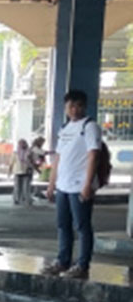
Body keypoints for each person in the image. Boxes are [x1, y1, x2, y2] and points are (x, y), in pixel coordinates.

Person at [42, 89, 100, 280]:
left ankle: (82, 265)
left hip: (79, 186)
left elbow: (93, 156)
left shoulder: (90, 126)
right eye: (71, 106)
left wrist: (87, 184)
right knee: (63, 225)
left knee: (82, 226)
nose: (75, 109)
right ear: (66, 108)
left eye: (79, 105)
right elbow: (58, 158)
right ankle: (63, 261)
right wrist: (51, 184)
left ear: (85, 106)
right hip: (63, 186)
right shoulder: (65, 129)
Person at [9, 138, 33, 207]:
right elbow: (11, 162)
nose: (22, 145)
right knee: (17, 187)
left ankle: (27, 200)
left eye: (23, 143)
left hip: (26, 171)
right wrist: (9, 171)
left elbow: (32, 161)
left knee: (26, 187)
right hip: (17, 171)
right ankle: (16, 199)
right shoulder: (15, 153)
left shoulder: (29, 152)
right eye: (20, 143)